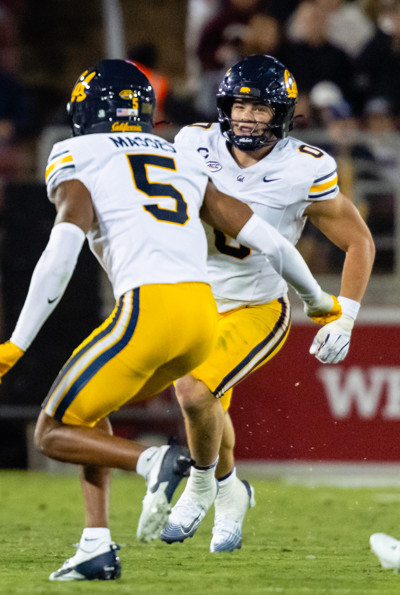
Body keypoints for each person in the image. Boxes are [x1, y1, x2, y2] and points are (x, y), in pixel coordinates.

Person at [0, 59, 339, 581]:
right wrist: (316, 298)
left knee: (53, 431)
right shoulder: (181, 156)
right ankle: (95, 544)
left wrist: (17, 341)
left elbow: (61, 251)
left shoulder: (76, 153)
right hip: (200, 317)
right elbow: (267, 238)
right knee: (91, 410)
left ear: (85, 110)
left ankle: (158, 464)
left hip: (149, 309)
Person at [164, 54, 374, 552]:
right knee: (207, 406)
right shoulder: (192, 143)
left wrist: (346, 318)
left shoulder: (305, 167)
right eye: (240, 105)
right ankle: (231, 490)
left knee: (194, 395)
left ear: (281, 115)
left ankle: (199, 487)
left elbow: (359, 241)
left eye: (260, 108)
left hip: (256, 305)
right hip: (192, 298)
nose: (247, 117)